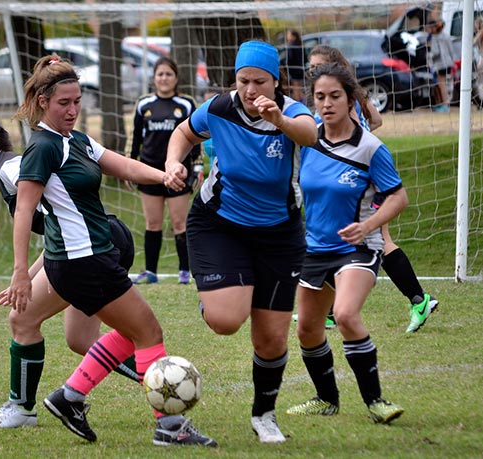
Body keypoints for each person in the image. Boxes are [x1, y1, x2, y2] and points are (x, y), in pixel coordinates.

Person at [6, 55, 216, 447]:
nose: (72, 110)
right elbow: (24, 209)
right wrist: (21, 271)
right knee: (148, 331)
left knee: (130, 330)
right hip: (82, 261)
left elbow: (122, 165)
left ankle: (69, 397)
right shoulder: (43, 148)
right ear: (41, 102)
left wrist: (165, 174)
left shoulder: (76, 141)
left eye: (76, 101)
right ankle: (168, 427)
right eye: (62, 103)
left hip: (87, 258)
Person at [163, 40, 317, 443]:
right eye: (243, 81)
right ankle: (215, 296)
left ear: (275, 81)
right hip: (220, 225)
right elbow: (184, 131)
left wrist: (279, 120)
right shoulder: (219, 108)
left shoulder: (291, 111)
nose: (250, 90)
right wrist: (173, 161)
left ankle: (264, 415)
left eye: (259, 82)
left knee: (270, 337)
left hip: (280, 235)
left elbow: (311, 135)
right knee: (226, 320)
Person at [0, 112, 139, 429]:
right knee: (81, 339)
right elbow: (56, 229)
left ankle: (21, 408)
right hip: (95, 243)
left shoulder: (12, 170)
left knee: (22, 317)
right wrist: (28, 275)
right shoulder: (6, 171)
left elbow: (62, 217)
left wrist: (23, 274)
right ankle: (163, 378)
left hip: (96, 246)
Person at [286, 62, 408, 423]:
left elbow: (399, 197)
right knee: (307, 329)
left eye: (335, 96)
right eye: (320, 97)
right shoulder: (308, 142)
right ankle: (327, 399)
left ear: (350, 98)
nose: (326, 103)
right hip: (315, 249)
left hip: (358, 248)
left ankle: (376, 402)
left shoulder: (371, 148)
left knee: (344, 314)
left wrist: (367, 224)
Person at [306, 45, 438, 333]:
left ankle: (419, 299)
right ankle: (331, 310)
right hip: (352, 180)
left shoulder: (338, 110)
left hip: (361, 182)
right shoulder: (353, 99)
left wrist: (358, 151)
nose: (312, 72)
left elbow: (357, 132)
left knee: (375, 240)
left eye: (317, 67)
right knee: (351, 239)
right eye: (311, 68)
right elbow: (376, 120)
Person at [128, 57, 201, 286]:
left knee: (180, 223)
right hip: (149, 171)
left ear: (176, 78)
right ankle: (151, 271)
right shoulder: (144, 104)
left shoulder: (186, 104)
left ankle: (184, 271)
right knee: (152, 223)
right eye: (160, 74)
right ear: (154, 78)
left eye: (168, 74)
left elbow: (195, 137)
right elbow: (136, 138)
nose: (164, 78)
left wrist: (197, 166)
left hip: (179, 172)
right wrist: (131, 166)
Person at [426, 20, 456, 113]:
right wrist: (452, 61)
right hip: (448, 63)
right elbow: (451, 50)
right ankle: (445, 104)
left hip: (440, 65)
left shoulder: (434, 38)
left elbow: (435, 52)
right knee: (446, 85)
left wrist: (428, 54)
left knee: (442, 85)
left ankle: (445, 106)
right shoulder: (446, 36)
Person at [283, 29, 306, 101]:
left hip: (293, 70)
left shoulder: (291, 46)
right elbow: (305, 58)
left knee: (295, 88)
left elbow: (289, 58)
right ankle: (304, 102)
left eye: (289, 35)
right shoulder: (301, 45)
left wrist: (284, 64)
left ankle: (298, 103)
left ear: (294, 36)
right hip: (301, 70)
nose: (287, 37)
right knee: (299, 88)